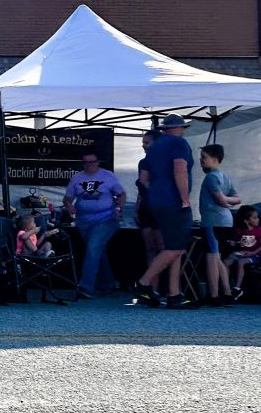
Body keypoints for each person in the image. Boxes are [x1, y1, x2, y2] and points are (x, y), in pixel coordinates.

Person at [132, 115, 195, 309]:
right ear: (179, 128)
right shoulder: (179, 143)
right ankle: (143, 283)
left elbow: (143, 179)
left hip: (156, 200)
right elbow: (180, 170)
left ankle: (174, 294)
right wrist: (184, 197)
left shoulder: (154, 147)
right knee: (176, 247)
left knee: (173, 246)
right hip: (172, 201)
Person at [63, 148, 127, 298]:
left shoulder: (108, 176)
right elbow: (67, 198)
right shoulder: (76, 178)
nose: (89, 165)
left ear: (98, 162)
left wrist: (118, 207)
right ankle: (107, 283)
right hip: (84, 221)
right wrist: (69, 206)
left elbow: (121, 194)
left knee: (93, 248)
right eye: (85, 162)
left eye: (92, 162)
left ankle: (86, 287)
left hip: (106, 219)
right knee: (98, 251)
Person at [198, 144, 241, 307]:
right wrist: (228, 201)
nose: (201, 161)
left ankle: (214, 295)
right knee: (218, 258)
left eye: (204, 157)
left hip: (212, 221)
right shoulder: (225, 177)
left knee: (212, 258)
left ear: (215, 160)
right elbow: (236, 198)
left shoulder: (211, 178)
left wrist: (225, 200)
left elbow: (220, 199)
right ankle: (227, 293)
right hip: (226, 222)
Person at [223, 206, 261, 299]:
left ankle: (237, 288)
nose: (257, 219)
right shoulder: (240, 230)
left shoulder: (259, 230)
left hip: (255, 255)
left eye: (257, 217)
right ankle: (226, 287)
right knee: (226, 262)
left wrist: (252, 253)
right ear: (246, 221)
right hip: (241, 253)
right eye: (254, 218)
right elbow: (236, 243)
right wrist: (232, 243)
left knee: (241, 262)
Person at [135, 130, 163, 266]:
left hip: (159, 209)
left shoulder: (165, 163)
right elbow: (141, 189)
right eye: (143, 143)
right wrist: (137, 207)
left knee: (161, 247)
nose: (144, 146)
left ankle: (164, 283)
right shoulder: (143, 163)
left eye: (146, 143)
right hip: (145, 209)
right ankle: (151, 285)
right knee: (149, 248)